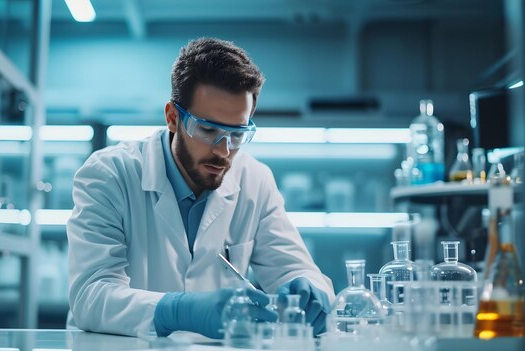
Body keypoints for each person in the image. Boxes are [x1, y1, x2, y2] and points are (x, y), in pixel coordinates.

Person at [67, 37, 334, 339]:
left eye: (237, 134)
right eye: (208, 130)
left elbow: (293, 268)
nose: (224, 150)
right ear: (172, 118)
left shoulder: (256, 180)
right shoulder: (109, 174)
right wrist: (178, 310)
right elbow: (90, 296)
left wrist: (309, 288)